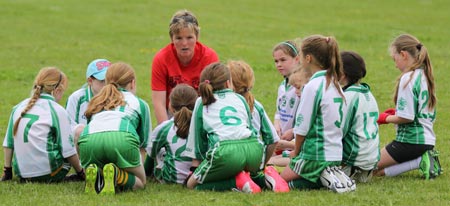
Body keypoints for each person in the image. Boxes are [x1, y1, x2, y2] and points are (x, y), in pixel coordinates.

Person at [280, 35, 354, 192]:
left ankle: (323, 180)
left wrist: (296, 152)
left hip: (314, 155)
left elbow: (302, 126)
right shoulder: (336, 85)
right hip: (335, 154)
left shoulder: (313, 86)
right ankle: (329, 176)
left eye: (300, 54)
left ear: (308, 58)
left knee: (279, 183)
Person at [183, 62, 264, 193]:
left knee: (191, 185)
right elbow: (249, 128)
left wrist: (195, 169)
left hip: (226, 152)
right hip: (254, 149)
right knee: (233, 169)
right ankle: (264, 179)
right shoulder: (240, 98)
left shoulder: (201, 102)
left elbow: (198, 139)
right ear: (228, 83)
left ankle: (236, 182)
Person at [374, 34, 441, 180]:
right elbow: (416, 111)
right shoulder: (424, 75)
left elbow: (407, 117)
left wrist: (385, 118)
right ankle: (422, 159)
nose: (395, 64)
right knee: (378, 172)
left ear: (403, 55)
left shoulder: (408, 78)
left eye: (395, 59)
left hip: (410, 141)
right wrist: (397, 112)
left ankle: (419, 160)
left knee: (365, 169)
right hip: (426, 141)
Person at [78, 62, 152, 194]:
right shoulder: (139, 103)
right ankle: (117, 175)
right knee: (141, 182)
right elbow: (142, 144)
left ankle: (98, 174)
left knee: (103, 161)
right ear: (132, 83)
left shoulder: (96, 100)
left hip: (89, 140)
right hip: (122, 138)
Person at [1, 67, 84, 182]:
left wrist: (7, 171)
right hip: (50, 173)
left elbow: (8, 143)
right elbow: (68, 150)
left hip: (22, 174)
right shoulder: (56, 110)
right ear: (58, 90)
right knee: (74, 138)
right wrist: (80, 172)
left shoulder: (18, 107)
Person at [227, 60, 289, 192]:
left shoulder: (224, 105)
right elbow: (273, 140)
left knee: (207, 181)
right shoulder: (257, 105)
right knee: (254, 175)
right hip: (254, 159)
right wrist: (262, 164)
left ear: (228, 83)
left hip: (231, 159)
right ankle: (266, 178)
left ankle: (240, 180)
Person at [151, 9, 219, 124]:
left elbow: (215, 99)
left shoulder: (209, 57)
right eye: (178, 38)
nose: (184, 44)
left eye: (189, 37)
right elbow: (159, 103)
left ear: (197, 37)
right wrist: (166, 132)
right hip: (173, 113)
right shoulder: (161, 59)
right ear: (171, 38)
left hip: (201, 112)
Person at [340, 51, 380, 183]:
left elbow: (339, 132)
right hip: (369, 164)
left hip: (352, 166)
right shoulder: (367, 93)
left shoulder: (348, 97)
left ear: (342, 73)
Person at [146, 84, 196, 184]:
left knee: (159, 149)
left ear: (170, 106)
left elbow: (150, 154)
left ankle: (148, 175)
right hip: (195, 178)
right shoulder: (202, 126)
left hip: (171, 179)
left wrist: (144, 173)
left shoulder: (164, 128)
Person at [268, 67, 312, 167]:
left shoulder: (310, 109)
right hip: (293, 150)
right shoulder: (303, 106)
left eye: (298, 87)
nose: (296, 92)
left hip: (304, 156)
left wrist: (286, 144)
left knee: (269, 162)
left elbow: (305, 147)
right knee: (266, 159)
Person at [65, 59, 111, 149]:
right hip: (83, 145)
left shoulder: (118, 98)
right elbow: (69, 128)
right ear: (90, 81)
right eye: (103, 81)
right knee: (79, 130)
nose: (107, 86)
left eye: (110, 81)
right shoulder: (77, 98)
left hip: (108, 143)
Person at [272, 40, 301, 142]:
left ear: (297, 59)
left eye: (283, 60)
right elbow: (279, 111)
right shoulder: (282, 86)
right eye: (276, 61)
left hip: (297, 142)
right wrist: (276, 124)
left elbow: (308, 116)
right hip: (283, 140)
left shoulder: (301, 87)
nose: (279, 64)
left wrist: (294, 131)